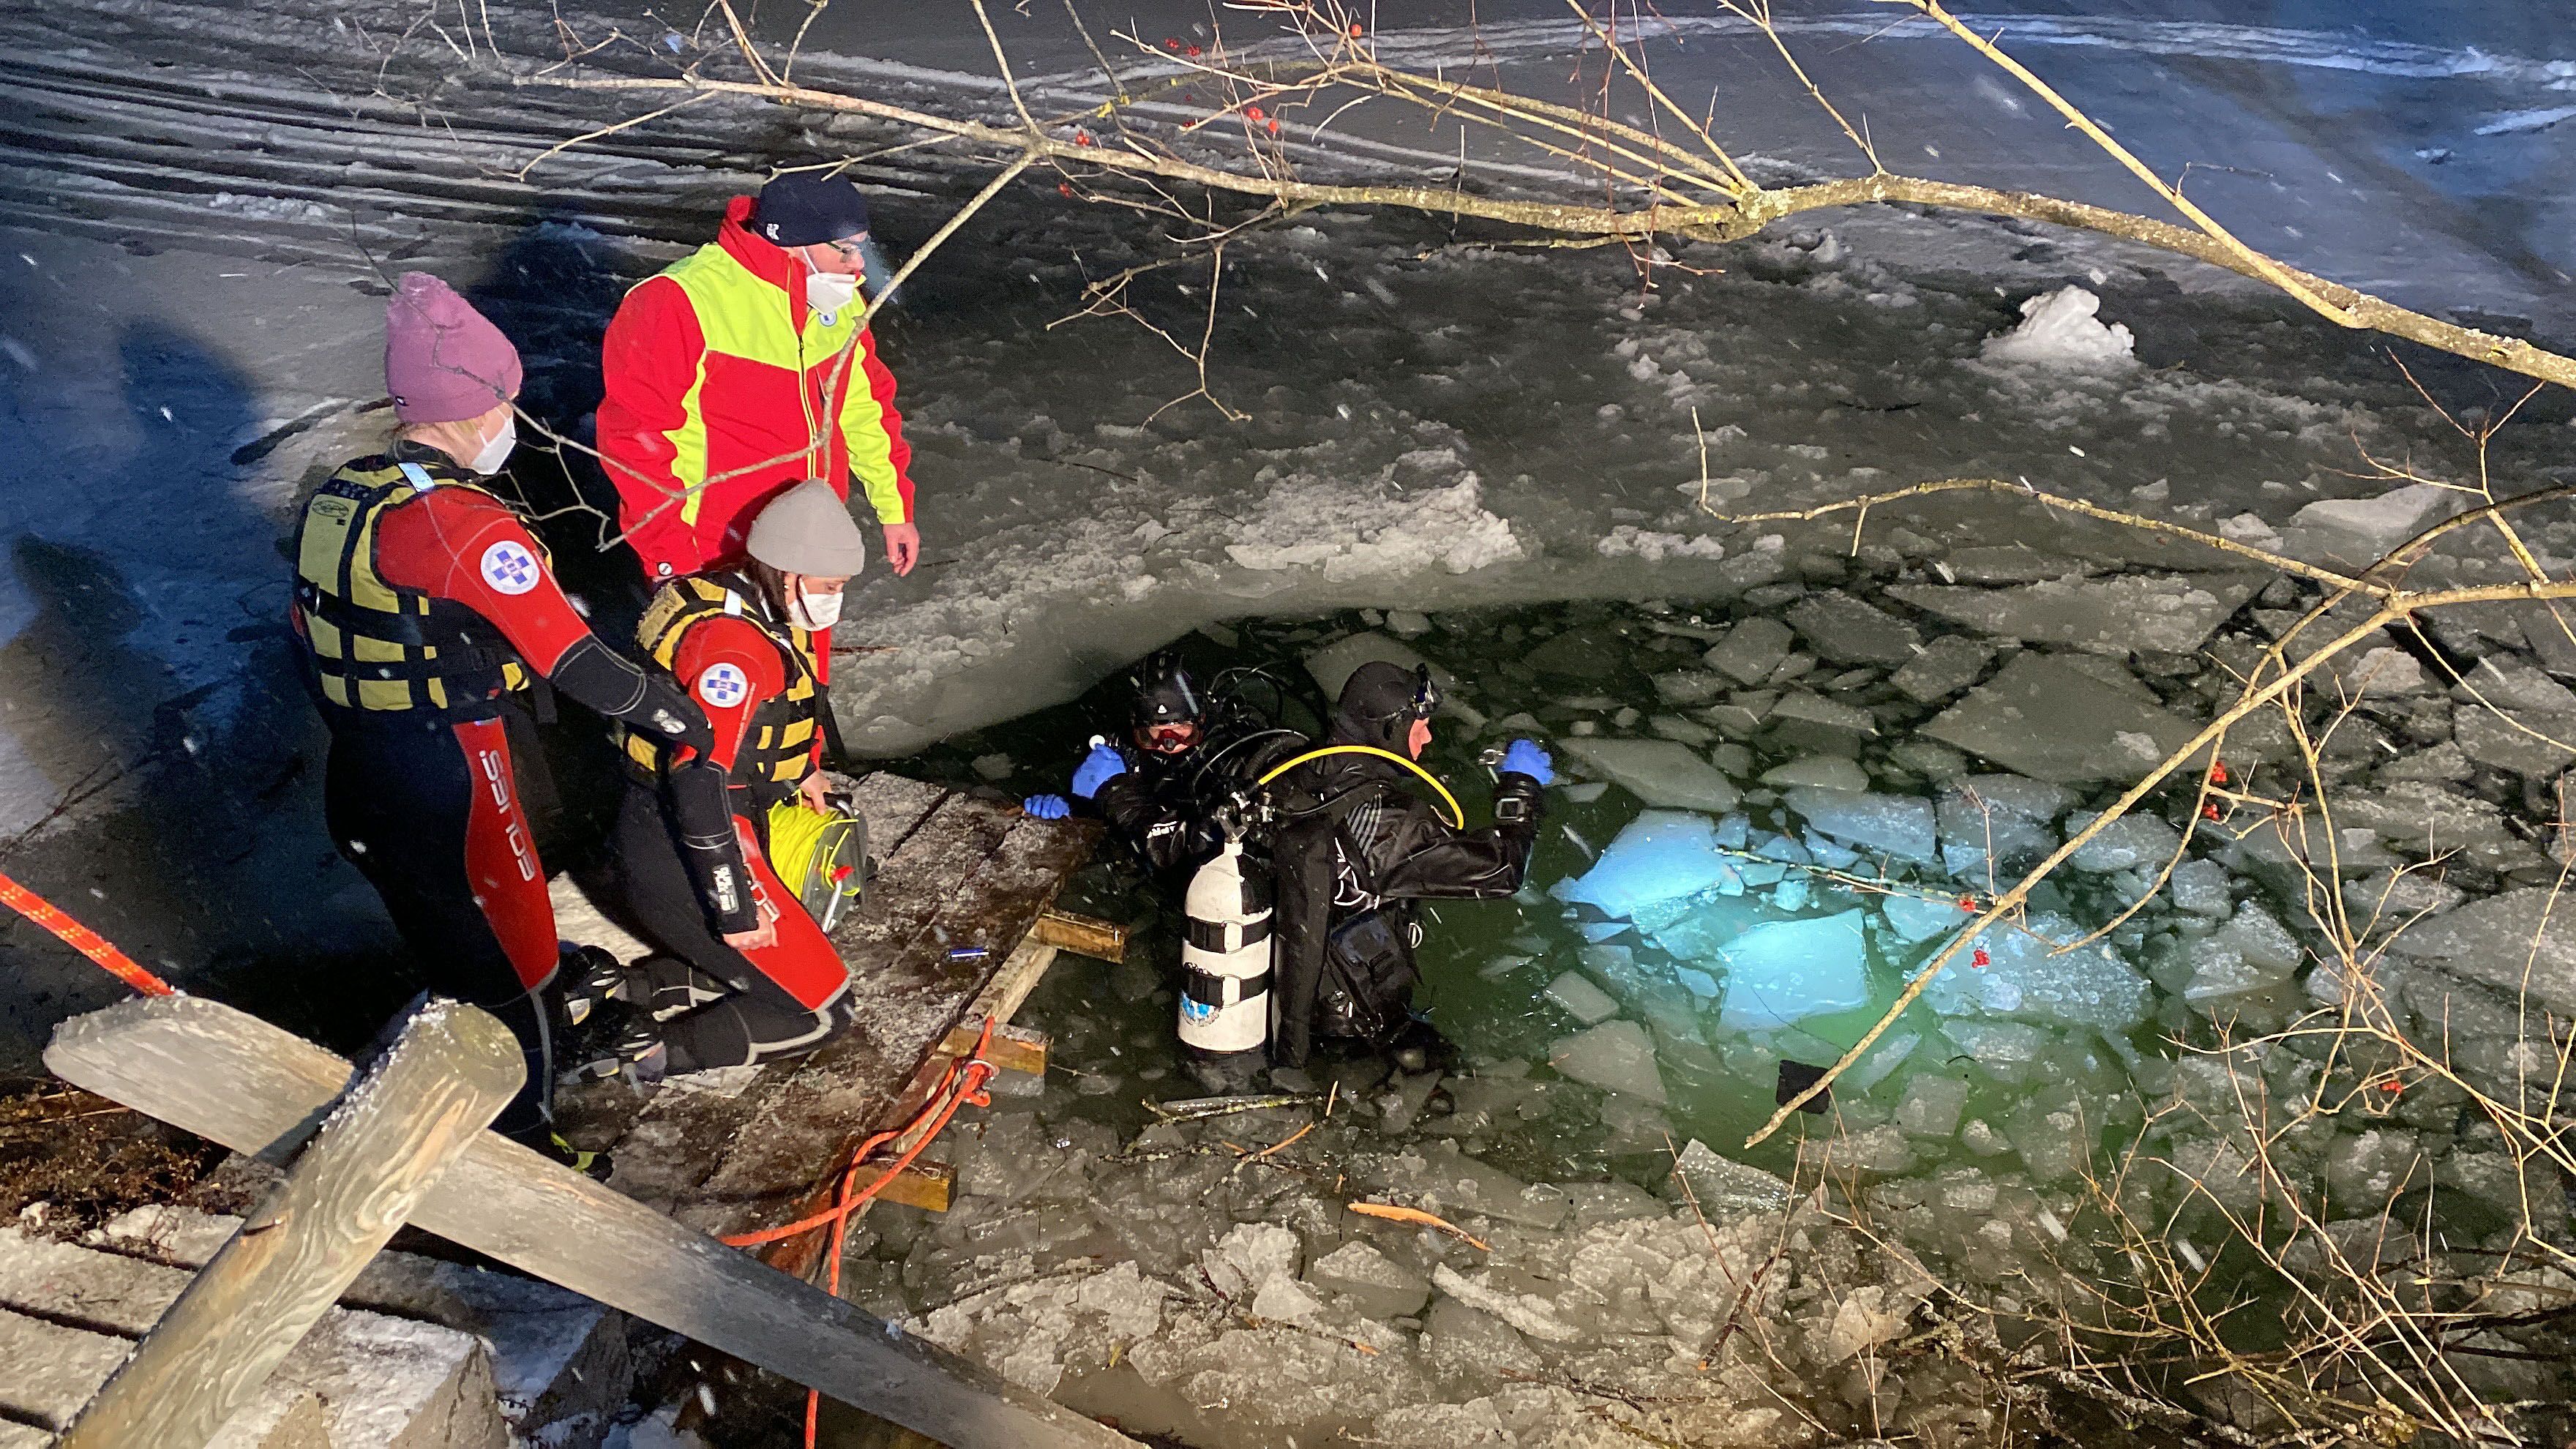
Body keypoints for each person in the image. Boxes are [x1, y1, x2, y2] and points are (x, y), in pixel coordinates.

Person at [290, 272, 714, 1170]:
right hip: (453, 779)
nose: (512, 419)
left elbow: (312, 629)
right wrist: (674, 714)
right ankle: (525, 1147)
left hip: (364, 773)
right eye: (507, 402)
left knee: (448, 937)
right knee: (510, 969)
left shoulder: (348, 494)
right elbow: (574, 656)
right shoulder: (464, 526)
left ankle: (490, 1033)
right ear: (473, 405)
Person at [609, 481, 869, 1075]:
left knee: (755, 963)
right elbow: (701, 784)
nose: (836, 601)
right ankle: (642, 1064)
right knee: (825, 1012)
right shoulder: (733, 649)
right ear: (787, 571)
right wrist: (736, 906)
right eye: (831, 587)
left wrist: (800, 767)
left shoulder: (745, 595)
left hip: (665, 828)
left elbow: (756, 724)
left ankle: (626, 994)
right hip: (684, 842)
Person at [596, 171, 920, 588]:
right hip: (713, 553)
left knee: (803, 652)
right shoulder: (676, 302)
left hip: (810, 542)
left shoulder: (836, 297)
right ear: (791, 244)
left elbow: (865, 409)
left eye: (863, 248)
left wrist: (895, 510)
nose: (858, 266)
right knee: (726, 654)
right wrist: (671, 561)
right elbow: (637, 443)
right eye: (845, 249)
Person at [1265, 662, 1553, 1072]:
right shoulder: (1388, 824)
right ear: (1390, 729)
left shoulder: (1303, 770)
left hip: (1296, 998)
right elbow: (1501, 872)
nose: (1429, 736)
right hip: (1355, 1025)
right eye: (1420, 727)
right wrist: (1522, 790)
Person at [1022, 651, 1302, 879]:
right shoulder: (1129, 755)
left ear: (1203, 720)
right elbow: (1117, 825)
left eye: (1181, 731)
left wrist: (1117, 794)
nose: (1169, 745)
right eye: (1153, 734)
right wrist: (1075, 810)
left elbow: (1187, 853)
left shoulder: (1236, 760)